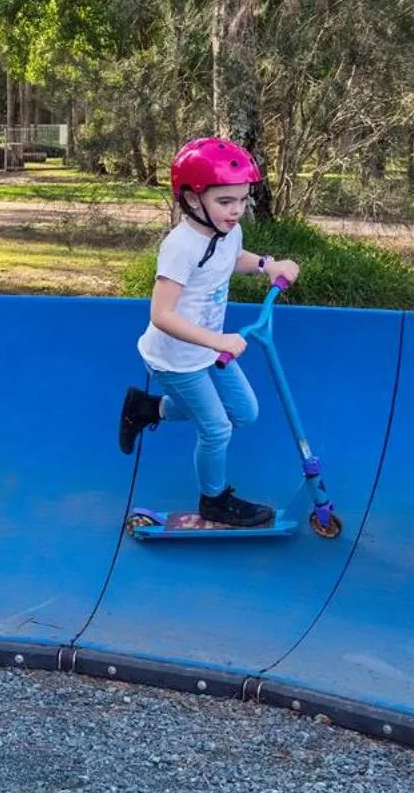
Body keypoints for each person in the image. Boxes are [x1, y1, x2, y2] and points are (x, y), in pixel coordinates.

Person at [116, 137, 299, 528]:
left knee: (244, 413)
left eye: (243, 200)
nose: (236, 211)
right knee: (215, 428)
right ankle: (213, 500)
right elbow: (162, 314)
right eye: (225, 201)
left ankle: (148, 408)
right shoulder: (179, 247)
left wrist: (268, 264)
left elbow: (231, 259)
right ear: (192, 199)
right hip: (175, 358)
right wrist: (218, 340)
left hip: (209, 351)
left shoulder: (227, 232)